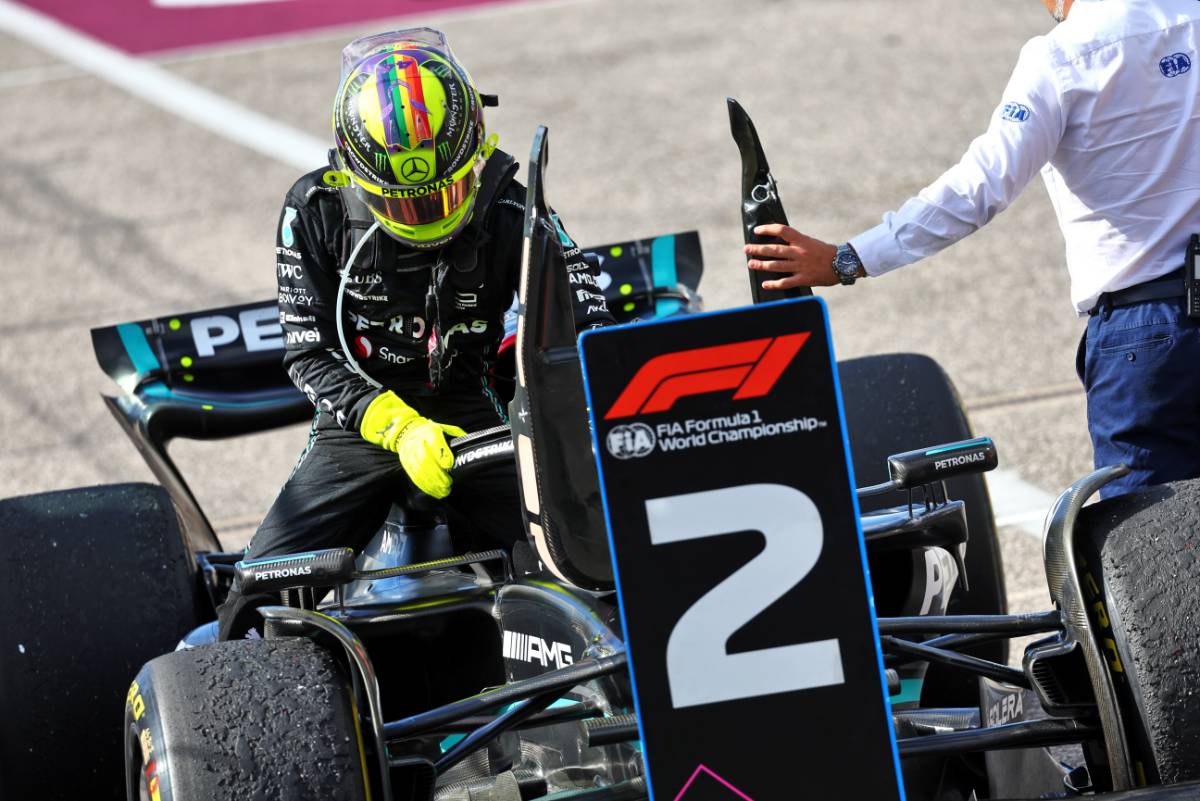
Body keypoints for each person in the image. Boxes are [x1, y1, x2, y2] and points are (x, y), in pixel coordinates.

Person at [219, 28, 611, 638]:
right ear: (357, 175)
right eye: (405, 203)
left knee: (588, 564)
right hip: (360, 423)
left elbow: (588, 318)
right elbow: (309, 355)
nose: (427, 215)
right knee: (259, 598)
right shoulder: (314, 212)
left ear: (477, 151)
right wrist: (398, 428)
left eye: (442, 193)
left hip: (472, 413)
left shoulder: (512, 205)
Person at [744, 0, 1200, 497]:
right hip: (1150, 329)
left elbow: (979, 187)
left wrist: (847, 259)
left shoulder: (1062, 57)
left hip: (1146, 333)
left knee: (1151, 547)